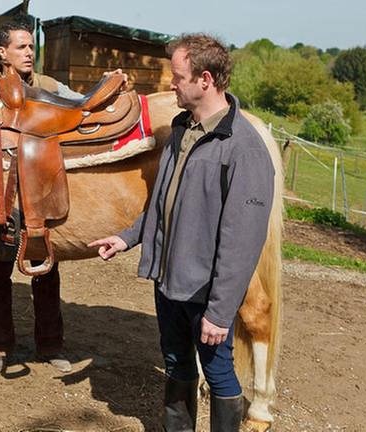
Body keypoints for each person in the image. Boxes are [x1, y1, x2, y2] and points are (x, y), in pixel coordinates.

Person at [88, 34, 275, 432]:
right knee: (176, 362)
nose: (170, 84)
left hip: (205, 292)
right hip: (169, 283)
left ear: (205, 79)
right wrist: (127, 237)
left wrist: (221, 312)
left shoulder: (244, 150)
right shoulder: (182, 131)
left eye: (177, 76)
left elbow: (242, 244)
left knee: (219, 372)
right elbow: (162, 203)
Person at [0, 21, 82, 375]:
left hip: (39, 190)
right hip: (1, 195)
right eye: (22, 47)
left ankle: (51, 344)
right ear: (2, 52)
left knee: (47, 270)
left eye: (31, 47)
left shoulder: (48, 86)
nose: (29, 53)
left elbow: (80, 105)